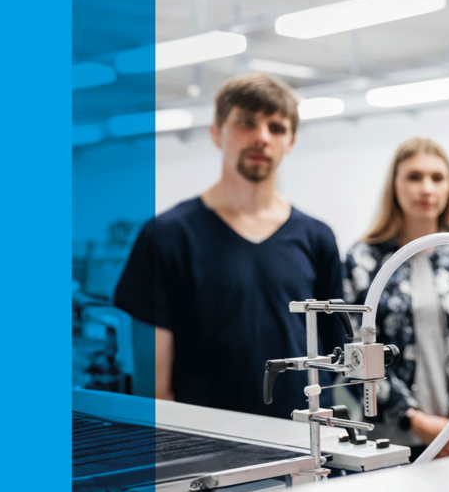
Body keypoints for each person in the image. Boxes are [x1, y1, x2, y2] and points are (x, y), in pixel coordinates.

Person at [113, 73, 346, 419]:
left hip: (306, 440)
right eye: (246, 123)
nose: (261, 137)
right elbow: (153, 389)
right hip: (211, 446)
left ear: (291, 141)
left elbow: (332, 354)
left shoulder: (317, 237)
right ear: (216, 132)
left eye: (277, 128)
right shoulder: (166, 236)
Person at [342, 138, 449, 460]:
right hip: (395, 440)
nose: (426, 188)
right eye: (414, 177)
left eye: (437, 178)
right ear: (395, 184)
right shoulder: (363, 260)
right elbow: (355, 350)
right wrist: (413, 419)